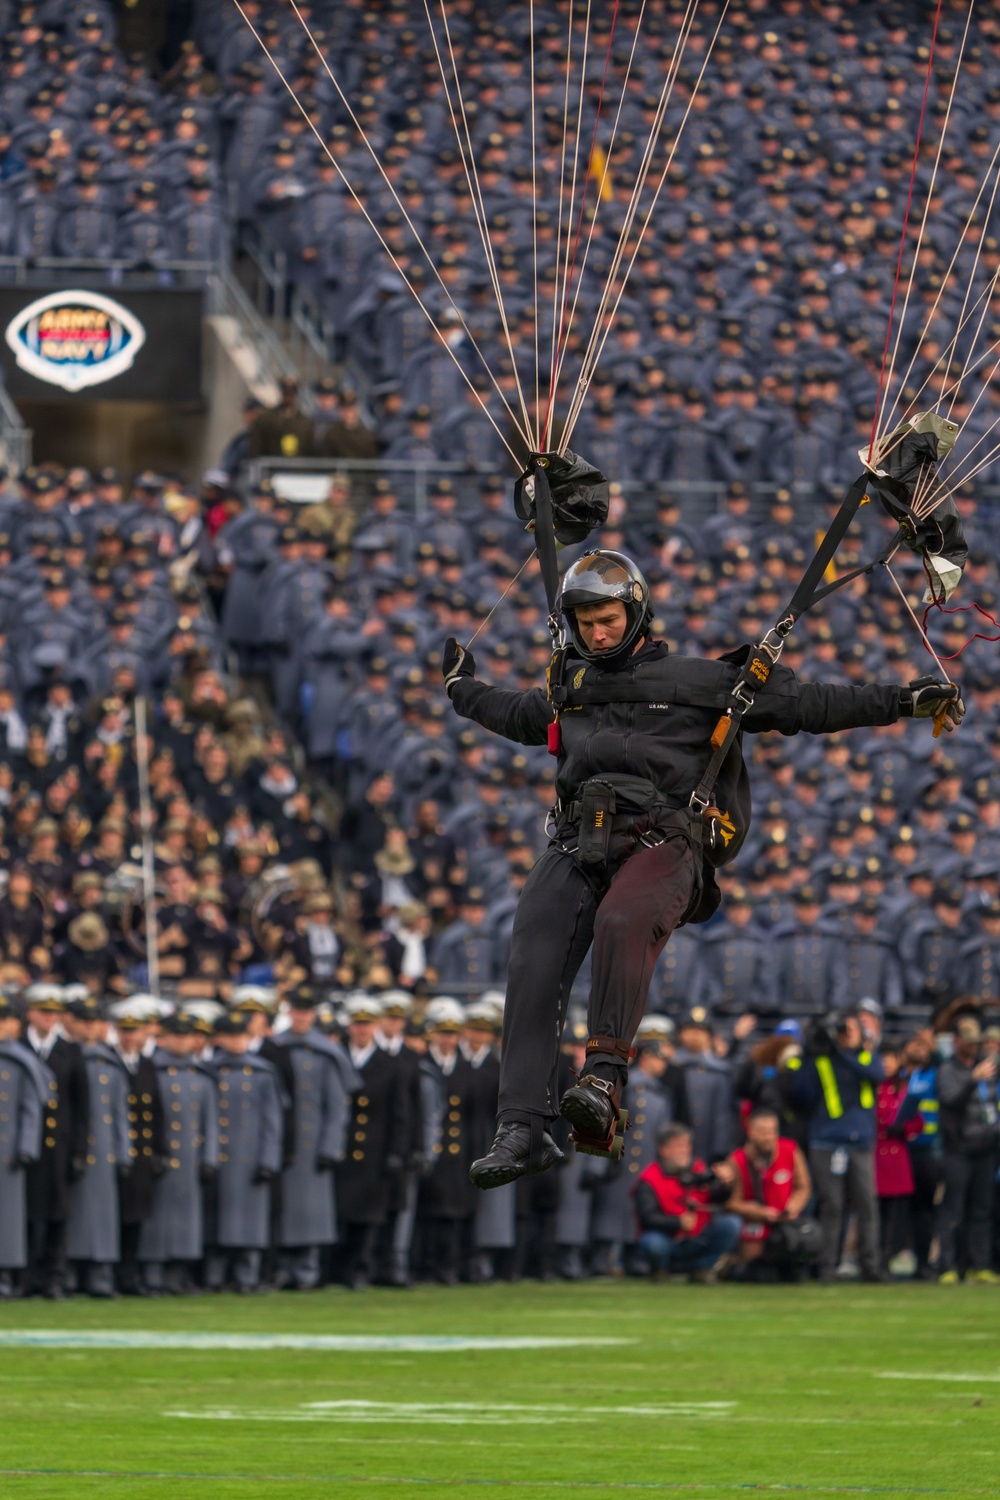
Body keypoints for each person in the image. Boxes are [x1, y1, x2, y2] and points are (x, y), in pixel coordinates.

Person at [442, 548, 962, 1187]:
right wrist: (462, 690)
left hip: (664, 843)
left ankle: (602, 1080)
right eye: (585, 624)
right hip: (579, 839)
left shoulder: (703, 682)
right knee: (533, 943)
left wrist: (905, 700)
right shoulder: (570, 687)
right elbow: (516, 714)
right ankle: (522, 1125)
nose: (596, 635)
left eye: (607, 620)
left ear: (636, 614)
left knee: (623, 919)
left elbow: (811, 706)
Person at [794, 1010, 886, 1284]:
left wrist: (842, 1053)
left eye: (850, 1030)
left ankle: (870, 1265)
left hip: (859, 1141)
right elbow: (801, 1093)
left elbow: (877, 1075)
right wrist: (808, 1053)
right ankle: (827, 1266)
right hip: (827, 1140)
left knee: (866, 1205)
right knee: (831, 1206)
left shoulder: (866, 1058)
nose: (845, 1035)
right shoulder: (821, 1061)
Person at [935, 1016, 999, 1285]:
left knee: (982, 1210)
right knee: (953, 1209)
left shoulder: (988, 1067)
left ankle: (978, 1265)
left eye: (976, 1043)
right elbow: (950, 1100)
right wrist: (973, 1080)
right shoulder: (948, 1070)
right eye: (969, 1042)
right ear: (957, 1042)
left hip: (986, 1148)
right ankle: (947, 1265)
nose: (974, 1047)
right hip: (958, 1149)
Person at [634, 1123, 741, 1282]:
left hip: (697, 1236)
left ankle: (703, 1269)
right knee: (652, 1242)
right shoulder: (649, 1179)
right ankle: (659, 1270)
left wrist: (726, 1184)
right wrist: (677, 1222)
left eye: (686, 1145)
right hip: (668, 1238)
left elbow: (717, 1198)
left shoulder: (699, 1169)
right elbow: (647, 1217)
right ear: (663, 1150)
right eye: (678, 1146)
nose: (684, 1150)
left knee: (731, 1224)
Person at [727, 1107, 818, 1282]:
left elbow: (803, 1187)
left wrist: (793, 1206)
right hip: (755, 1222)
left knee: (812, 1238)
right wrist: (759, 1212)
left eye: (772, 1131)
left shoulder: (790, 1150)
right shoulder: (737, 1160)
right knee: (755, 1271)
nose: (768, 1137)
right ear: (751, 1132)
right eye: (763, 1132)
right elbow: (731, 1203)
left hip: (786, 1222)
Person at [0, 999, 50, 1299]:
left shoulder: (21, 1061)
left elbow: (31, 1108)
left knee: (6, 1218)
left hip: (7, 1151)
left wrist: (26, 1147)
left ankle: (5, 1273)